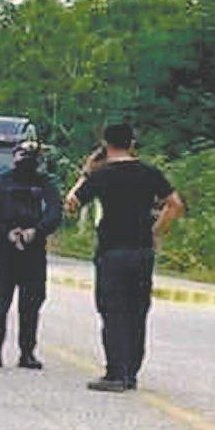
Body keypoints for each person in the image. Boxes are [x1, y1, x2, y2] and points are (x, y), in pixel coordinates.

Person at [63, 121, 184, 392]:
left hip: (112, 250)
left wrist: (86, 173)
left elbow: (71, 204)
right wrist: (156, 231)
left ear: (105, 144)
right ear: (132, 143)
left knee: (113, 310)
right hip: (142, 250)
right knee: (137, 311)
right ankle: (131, 372)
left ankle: (115, 373)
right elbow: (175, 204)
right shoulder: (149, 173)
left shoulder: (101, 175)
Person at [0, 139, 63, 369]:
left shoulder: (46, 184)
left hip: (34, 251)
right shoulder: (2, 183)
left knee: (31, 304)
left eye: (31, 157)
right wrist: (6, 232)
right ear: (15, 157)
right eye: (23, 156)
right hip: (5, 251)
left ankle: (27, 353)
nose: (26, 161)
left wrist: (36, 231)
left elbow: (55, 213)